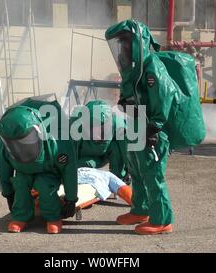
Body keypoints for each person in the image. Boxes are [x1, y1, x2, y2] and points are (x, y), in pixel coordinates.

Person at [105, 19, 175, 235]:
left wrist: (155, 127)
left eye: (126, 41)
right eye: (120, 42)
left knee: (152, 174)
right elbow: (133, 95)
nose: (123, 47)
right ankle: (140, 209)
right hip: (135, 124)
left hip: (151, 128)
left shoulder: (151, 66)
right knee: (135, 169)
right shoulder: (133, 70)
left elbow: (165, 95)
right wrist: (125, 104)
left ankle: (162, 220)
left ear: (138, 42)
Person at [0, 98, 78, 234]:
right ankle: (20, 217)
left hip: (49, 170)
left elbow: (69, 172)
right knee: (21, 184)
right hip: (23, 171)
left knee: (45, 185)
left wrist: (71, 199)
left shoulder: (59, 141)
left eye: (26, 141)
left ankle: (53, 218)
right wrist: (8, 193)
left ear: (40, 133)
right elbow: (4, 170)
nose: (20, 148)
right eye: (14, 144)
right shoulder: (3, 143)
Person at [73, 100, 129, 182]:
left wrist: (129, 171)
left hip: (104, 155)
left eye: (103, 129)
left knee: (116, 147)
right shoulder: (75, 125)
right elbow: (67, 153)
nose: (99, 136)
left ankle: (118, 179)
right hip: (82, 159)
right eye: (94, 129)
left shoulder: (118, 124)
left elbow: (126, 151)